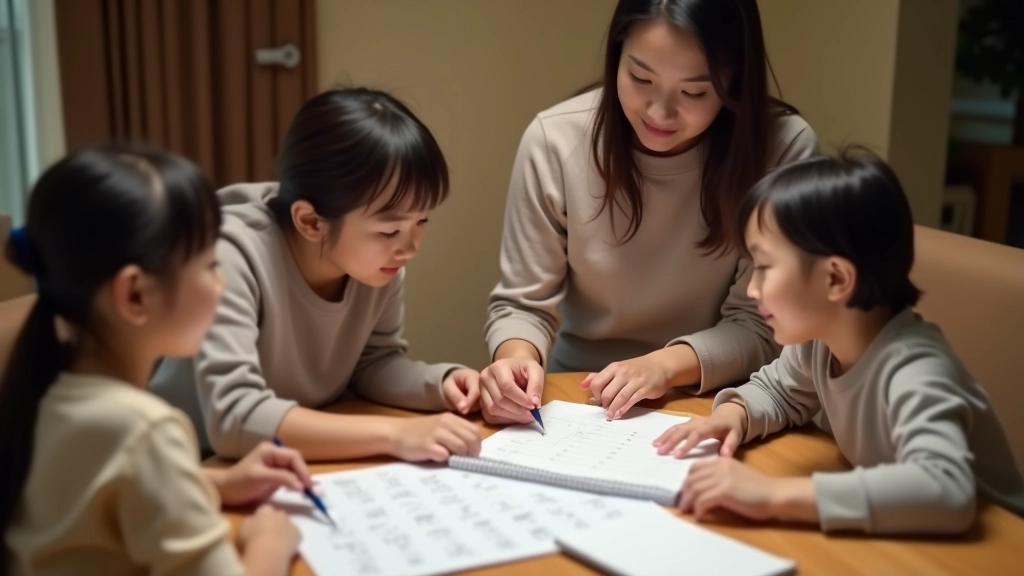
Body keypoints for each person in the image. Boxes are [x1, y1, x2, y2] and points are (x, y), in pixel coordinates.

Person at [481, 0, 819, 425]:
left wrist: (661, 365)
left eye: (694, 91)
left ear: (734, 78)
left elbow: (762, 324)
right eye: (640, 78)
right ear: (617, 55)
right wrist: (514, 360)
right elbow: (523, 304)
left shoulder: (782, 149)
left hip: (724, 399)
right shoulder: (555, 141)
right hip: (580, 391)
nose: (660, 112)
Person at [656, 149, 1024, 534]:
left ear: (835, 279)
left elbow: (945, 488)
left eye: (764, 267)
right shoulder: (820, 342)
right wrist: (733, 416)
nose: (752, 289)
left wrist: (774, 495)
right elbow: (780, 393)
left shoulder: (916, 370)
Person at [1, 145, 310, 575]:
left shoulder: (44, 393)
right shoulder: (144, 430)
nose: (221, 284)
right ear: (135, 295)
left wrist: (219, 482)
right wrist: (269, 542)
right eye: (208, 265)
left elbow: (105, 493)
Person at [151, 87, 482, 462]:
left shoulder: (379, 264)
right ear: (311, 221)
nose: (410, 246)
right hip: (193, 465)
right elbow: (234, 419)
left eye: (422, 220)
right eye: (390, 230)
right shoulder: (228, 257)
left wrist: (442, 384)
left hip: (291, 456)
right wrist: (395, 434)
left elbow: (372, 363)